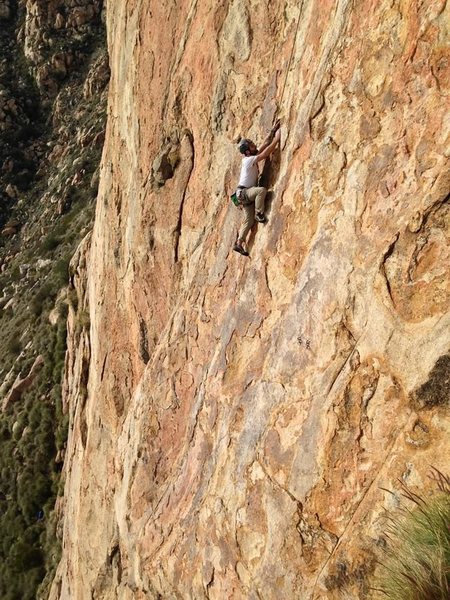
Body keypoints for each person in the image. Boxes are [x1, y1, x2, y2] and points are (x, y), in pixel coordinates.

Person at [232, 121, 281, 256]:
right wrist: (277, 139)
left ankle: (239, 243)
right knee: (261, 191)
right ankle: (259, 213)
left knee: (248, 221)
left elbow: (264, 145)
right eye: (252, 145)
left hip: (242, 195)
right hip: (244, 193)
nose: (255, 145)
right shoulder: (248, 160)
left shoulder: (250, 157)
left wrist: (272, 131)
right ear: (247, 151)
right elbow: (264, 154)